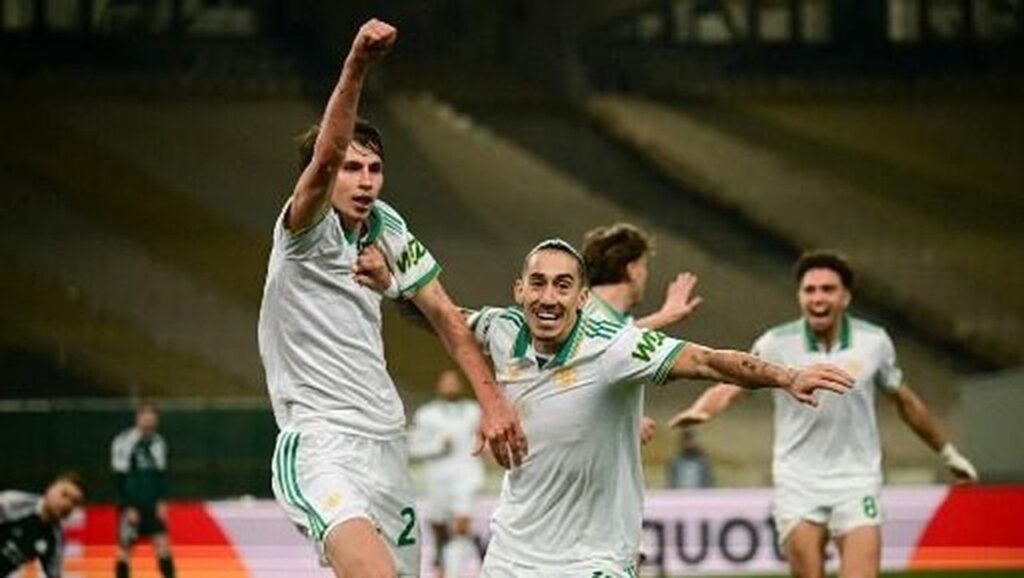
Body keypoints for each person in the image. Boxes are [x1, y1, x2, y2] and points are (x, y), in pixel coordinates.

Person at [256, 18, 525, 578]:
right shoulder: (303, 230)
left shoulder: (386, 226)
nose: (365, 181)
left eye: (375, 169)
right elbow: (325, 155)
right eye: (351, 168)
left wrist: (493, 402)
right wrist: (357, 64)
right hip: (321, 445)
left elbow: (445, 315)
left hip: (386, 444)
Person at [459, 239, 853, 577]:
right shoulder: (501, 328)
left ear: (583, 298)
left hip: (592, 557)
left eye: (563, 286)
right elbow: (441, 315)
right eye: (538, 283)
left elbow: (707, 361)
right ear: (519, 290)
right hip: (510, 554)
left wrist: (787, 377)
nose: (548, 297)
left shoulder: (615, 347)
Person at [669, 250, 979, 578]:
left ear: (845, 297)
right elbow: (733, 384)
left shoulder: (874, 342)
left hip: (857, 480)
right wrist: (701, 410)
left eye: (828, 289)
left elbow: (905, 400)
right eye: (810, 290)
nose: (818, 298)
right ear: (800, 296)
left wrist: (948, 453)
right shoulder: (775, 343)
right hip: (797, 481)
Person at [409, 370, 484, 578]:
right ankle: (471, 544)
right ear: (439, 385)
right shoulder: (426, 415)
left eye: (454, 382)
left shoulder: (474, 411)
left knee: (460, 525)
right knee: (441, 529)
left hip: (467, 476)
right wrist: (437, 445)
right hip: (438, 480)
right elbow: (413, 448)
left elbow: (483, 440)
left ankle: (453, 573)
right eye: (446, 382)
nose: (450, 385)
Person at [111, 400, 174, 578]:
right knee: (125, 548)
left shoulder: (159, 442)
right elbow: (119, 477)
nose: (148, 422)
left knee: (163, 546)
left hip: (151, 505)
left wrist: (162, 501)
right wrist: (128, 506)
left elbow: (161, 475)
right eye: (145, 417)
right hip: (131, 504)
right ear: (138, 418)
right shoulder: (124, 441)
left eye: (152, 418)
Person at [0, 472, 85, 577]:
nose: (67, 504)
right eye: (64, 494)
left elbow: (54, 574)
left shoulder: (55, 540)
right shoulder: (12, 503)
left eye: (75, 502)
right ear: (50, 489)